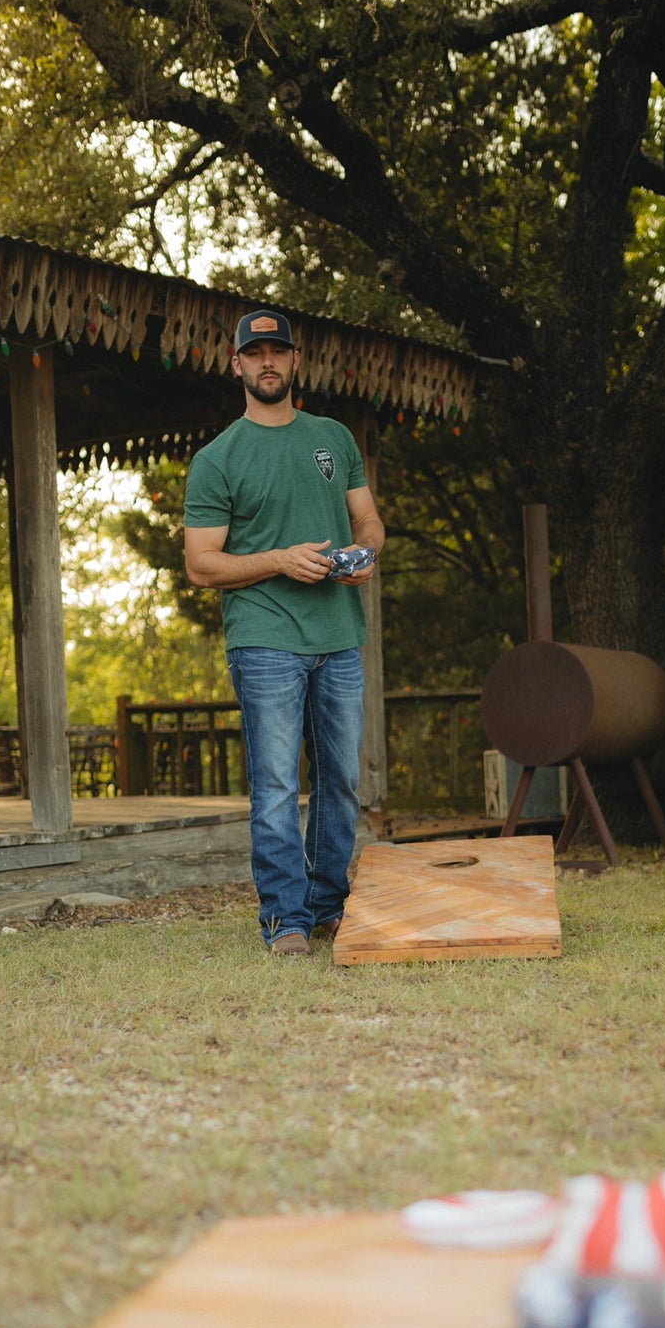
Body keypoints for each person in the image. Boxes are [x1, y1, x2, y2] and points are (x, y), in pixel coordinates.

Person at [183, 307, 385, 955]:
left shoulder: (334, 438)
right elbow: (200, 564)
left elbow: (368, 520)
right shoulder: (218, 459)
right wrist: (277, 560)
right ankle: (285, 920)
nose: (266, 361)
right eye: (254, 352)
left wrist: (365, 552)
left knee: (341, 783)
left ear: (296, 360)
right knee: (275, 787)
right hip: (264, 638)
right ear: (236, 364)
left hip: (339, 636)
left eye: (277, 351)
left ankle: (326, 906)